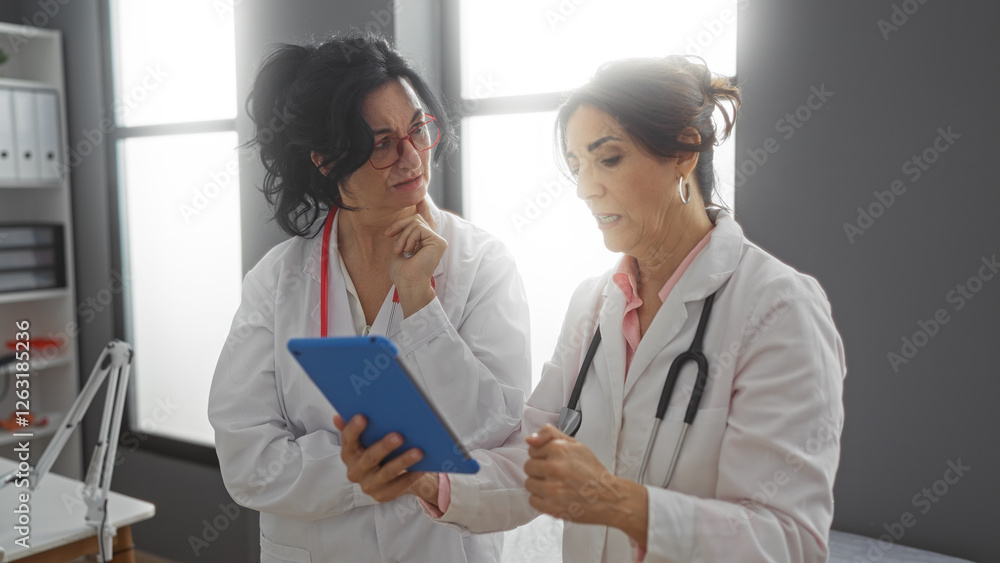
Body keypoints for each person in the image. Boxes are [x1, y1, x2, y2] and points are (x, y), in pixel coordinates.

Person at [337, 55, 847, 562]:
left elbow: (790, 542)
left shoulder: (778, 308)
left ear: (683, 152)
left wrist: (615, 502)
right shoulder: (594, 304)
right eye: (577, 165)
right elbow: (530, 465)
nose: (585, 188)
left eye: (609, 159)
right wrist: (425, 480)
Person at [208, 32, 531, 563]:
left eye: (417, 129)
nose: (412, 157)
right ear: (326, 160)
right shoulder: (277, 281)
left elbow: (495, 434)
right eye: (381, 143)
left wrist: (420, 302)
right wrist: (352, 474)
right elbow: (246, 459)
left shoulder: (481, 265)